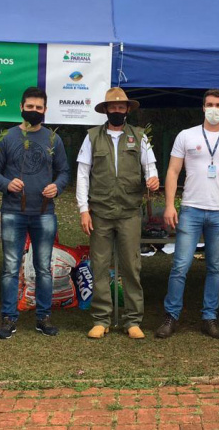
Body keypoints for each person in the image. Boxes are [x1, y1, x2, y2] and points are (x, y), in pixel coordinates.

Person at [156, 89, 219, 340]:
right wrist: (169, 205)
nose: (214, 109)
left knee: (215, 267)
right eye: (210, 104)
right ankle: (171, 316)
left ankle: (209, 317)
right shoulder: (186, 135)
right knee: (180, 265)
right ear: (203, 107)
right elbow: (173, 171)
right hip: (191, 209)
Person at [0, 87, 70, 339]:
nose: (34, 111)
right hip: (13, 212)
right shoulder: (6, 137)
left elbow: (64, 171)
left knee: (43, 268)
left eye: (38, 107)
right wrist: (6, 184)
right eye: (30, 107)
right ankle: (8, 317)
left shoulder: (53, 139)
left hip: (44, 213)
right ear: (21, 107)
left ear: (45, 110)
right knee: (11, 268)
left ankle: (43, 316)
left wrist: (57, 186)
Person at [77, 87, 159, 339]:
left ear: (127, 110)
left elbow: (150, 167)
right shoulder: (92, 137)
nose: (116, 110)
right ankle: (101, 319)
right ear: (106, 110)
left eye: (121, 107)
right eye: (112, 107)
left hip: (129, 211)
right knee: (100, 265)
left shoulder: (140, 136)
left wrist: (153, 179)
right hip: (100, 212)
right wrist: (83, 210)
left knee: (131, 266)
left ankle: (132, 320)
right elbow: (82, 174)